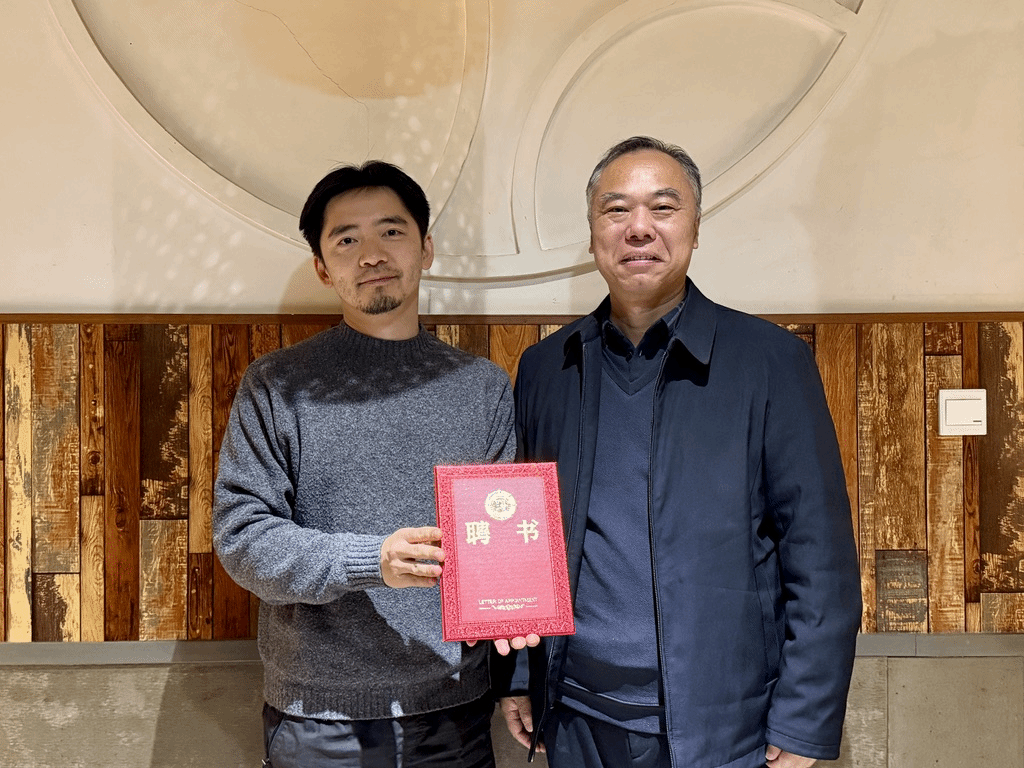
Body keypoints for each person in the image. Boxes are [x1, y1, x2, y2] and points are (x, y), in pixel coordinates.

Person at [496, 137, 862, 768]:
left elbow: (819, 556)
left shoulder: (771, 362)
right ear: (592, 232)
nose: (639, 228)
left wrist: (804, 718)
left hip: (724, 727)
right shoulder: (546, 368)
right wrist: (521, 677)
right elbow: (525, 543)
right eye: (616, 210)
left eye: (663, 208)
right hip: (575, 718)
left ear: (695, 228)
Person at [213, 160, 516, 768]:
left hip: (455, 711)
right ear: (323, 268)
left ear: (426, 249)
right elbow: (243, 538)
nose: (372, 254)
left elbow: (504, 543)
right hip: (318, 717)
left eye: (391, 231)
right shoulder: (277, 385)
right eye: (347, 240)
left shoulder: (482, 387)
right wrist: (371, 561)